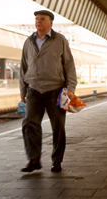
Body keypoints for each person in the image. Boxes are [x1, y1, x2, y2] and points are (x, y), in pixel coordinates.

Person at [20, 10, 77, 173]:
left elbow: (69, 66)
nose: (38, 22)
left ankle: (57, 161)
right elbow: (24, 66)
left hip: (55, 90)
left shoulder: (59, 40)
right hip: (33, 90)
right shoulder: (28, 41)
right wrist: (22, 89)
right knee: (29, 123)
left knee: (58, 126)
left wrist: (70, 88)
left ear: (51, 23)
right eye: (36, 19)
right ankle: (34, 159)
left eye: (42, 19)